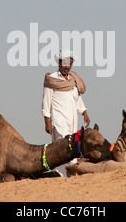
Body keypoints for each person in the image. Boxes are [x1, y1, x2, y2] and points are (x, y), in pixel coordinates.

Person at [41, 49, 91, 177]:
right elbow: (46, 101)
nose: (66, 66)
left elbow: (77, 99)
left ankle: (71, 175)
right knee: (62, 147)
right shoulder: (51, 79)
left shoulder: (73, 79)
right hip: (58, 119)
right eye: (64, 63)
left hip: (72, 119)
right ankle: (60, 175)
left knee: (73, 146)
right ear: (59, 63)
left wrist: (84, 112)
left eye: (69, 64)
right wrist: (47, 121)